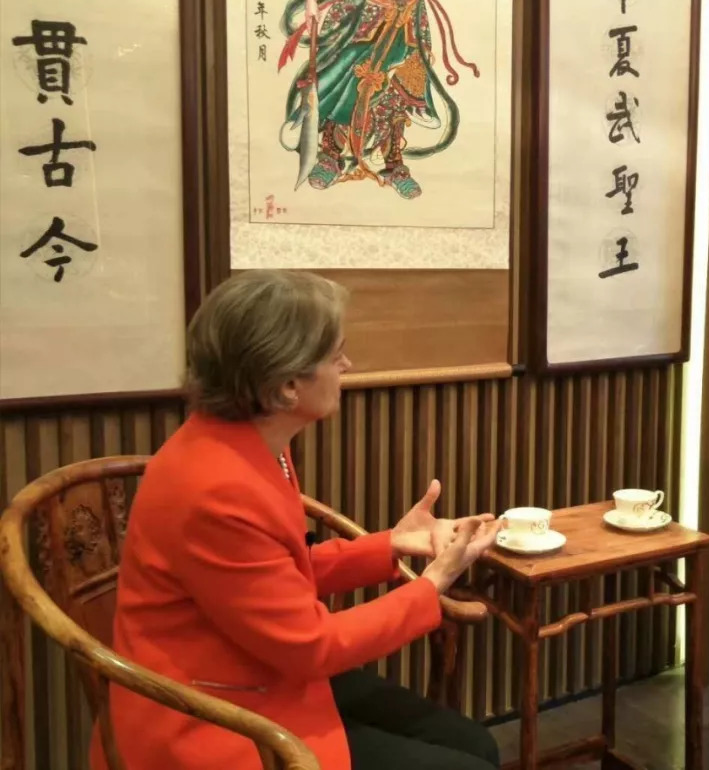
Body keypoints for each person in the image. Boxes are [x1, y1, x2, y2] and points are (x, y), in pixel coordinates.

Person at [89, 270, 502, 770]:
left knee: (475, 744)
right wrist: (432, 583)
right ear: (286, 386)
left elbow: (276, 575)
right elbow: (312, 646)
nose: (347, 365)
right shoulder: (215, 489)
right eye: (336, 354)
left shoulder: (250, 442)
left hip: (259, 663)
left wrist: (390, 543)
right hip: (212, 713)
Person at [281, 0, 479, 196]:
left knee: (398, 91)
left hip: (408, 15)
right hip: (361, 7)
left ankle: (393, 165)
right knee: (344, 81)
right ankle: (330, 155)